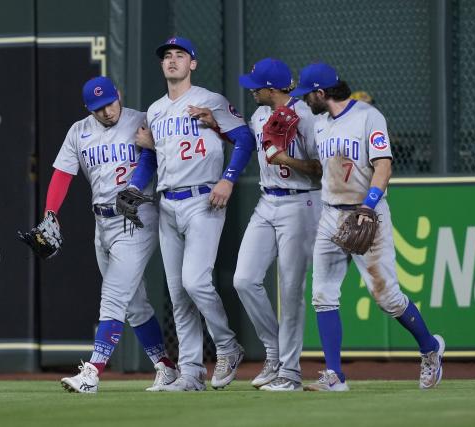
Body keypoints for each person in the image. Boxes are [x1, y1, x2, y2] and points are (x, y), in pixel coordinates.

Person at [289, 63, 445, 391]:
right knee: (322, 295)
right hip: (331, 214)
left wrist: (368, 206)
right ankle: (335, 376)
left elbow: (384, 166)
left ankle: (430, 348)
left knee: (387, 297)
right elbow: (323, 169)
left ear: (321, 92)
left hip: (367, 213)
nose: (307, 101)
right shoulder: (320, 124)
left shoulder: (368, 116)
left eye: (309, 95)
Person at [128, 36, 255, 391]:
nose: (172, 61)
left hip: (204, 199)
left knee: (195, 281)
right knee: (177, 292)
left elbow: (245, 139)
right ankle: (190, 372)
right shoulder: (154, 110)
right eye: (166, 55)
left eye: (179, 55)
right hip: (167, 202)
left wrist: (228, 179)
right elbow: (152, 157)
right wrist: (138, 186)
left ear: (192, 64)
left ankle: (228, 346)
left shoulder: (209, 100)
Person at [196, 58, 321, 391]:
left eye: (256, 87)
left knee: (290, 289)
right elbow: (250, 142)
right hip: (268, 202)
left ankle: (291, 373)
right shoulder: (260, 115)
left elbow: (322, 170)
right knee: (244, 279)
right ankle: (275, 351)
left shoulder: (306, 117)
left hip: (302, 201)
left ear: (272, 88)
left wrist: (287, 160)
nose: (251, 91)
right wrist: (217, 126)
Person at [47, 76, 177, 393]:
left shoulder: (140, 121)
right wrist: (51, 212)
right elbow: (62, 174)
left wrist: (134, 186)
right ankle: (166, 367)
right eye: (98, 108)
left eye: (109, 102)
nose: (106, 111)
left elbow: (149, 157)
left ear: (119, 95)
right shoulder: (79, 131)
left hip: (136, 217)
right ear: (88, 108)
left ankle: (92, 372)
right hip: (102, 222)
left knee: (113, 297)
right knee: (134, 304)